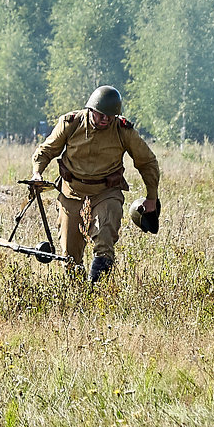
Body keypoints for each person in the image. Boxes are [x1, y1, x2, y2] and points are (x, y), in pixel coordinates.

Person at [30, 85, 160, 284]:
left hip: (106, 193)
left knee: (104, 237)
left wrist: (152, 197)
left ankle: (98, 291)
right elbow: (47, 150)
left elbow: (147, 162)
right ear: (90, 109)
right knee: (69, 255)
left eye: (110, 116)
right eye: (101, 115)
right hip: (71, 193)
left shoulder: (122, 130)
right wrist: (37, 173)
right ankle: (78, 295)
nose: (106, 119)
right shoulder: (71, 123)